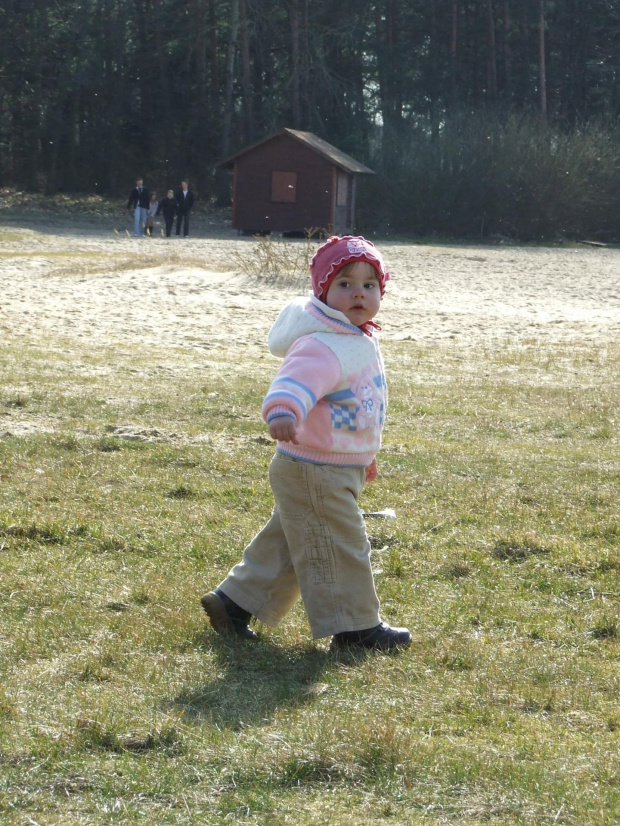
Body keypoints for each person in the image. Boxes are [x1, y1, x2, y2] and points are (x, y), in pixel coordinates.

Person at [201, 236, 412, 652]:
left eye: (369, 285)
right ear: (323, 292)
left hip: (332, 465)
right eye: (345, 283)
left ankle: (235, 603)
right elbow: (294, 381)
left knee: (295, 538)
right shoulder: (323, 342)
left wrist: (361, 456)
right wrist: (284, 411)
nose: (358, 293)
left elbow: (355, 405)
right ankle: (355, 630)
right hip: (315, 467)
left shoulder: (354, 338)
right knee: (340, 543)